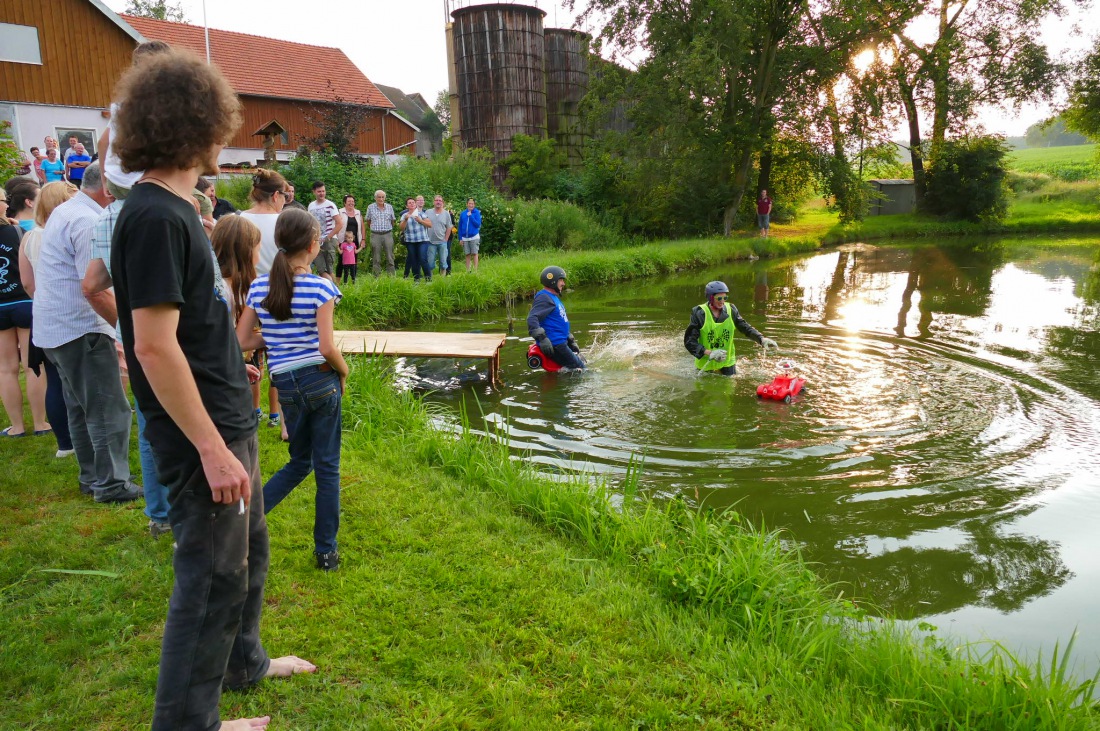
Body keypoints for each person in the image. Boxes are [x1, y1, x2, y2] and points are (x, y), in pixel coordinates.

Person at [109, 47, 316, 731]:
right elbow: (152, 344)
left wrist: (235, 360)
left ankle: (244, 664)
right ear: (197, 120)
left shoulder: (174, 207)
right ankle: (189, 721)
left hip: (228, 413)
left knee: (248, 552)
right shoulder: (155, 217)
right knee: (209, 577)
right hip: (203, 438)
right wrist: (211, 447)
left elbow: (189, 328)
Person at [236, 208, 348, 572]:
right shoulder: (321, 287)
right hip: (320, 379)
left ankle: (240, 529)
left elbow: (241, 340)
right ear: (314, 246)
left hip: (285, 384)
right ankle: (326, 552)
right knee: (327, 467)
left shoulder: (258, 287)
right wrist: (344, 372)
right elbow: (328, 347)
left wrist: (276, 337)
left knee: (300, 462)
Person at [32, 162, 141, 503]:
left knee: (81, 407)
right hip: (79, 329)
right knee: (108, 408)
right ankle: (111, 484)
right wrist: (127, 334)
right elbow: (93, 288)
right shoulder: (87, 220)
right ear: (109, 189)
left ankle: (93, 477)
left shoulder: (66, 210)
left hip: (56, 328)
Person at [81, 179, 173, 537]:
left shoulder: (107, 217)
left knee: (151, 427)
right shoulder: (161, 213)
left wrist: (125, 325)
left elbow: (91, 284)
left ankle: (160, 514)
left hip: (136, 334)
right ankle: (189, 511)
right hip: (170, 334)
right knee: (183, 422)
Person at [16, 181, 77, 457]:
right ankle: (80, 441)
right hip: (70, 314)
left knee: (55, 378)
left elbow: (27, 283)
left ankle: (65, 443)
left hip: (42, 312)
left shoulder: (29, 237)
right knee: (79, 381)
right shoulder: (65, 230)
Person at [238, 168, 289, 436]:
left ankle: (252, 412)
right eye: (285, 195)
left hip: (247, 296)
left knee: (250, 357)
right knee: (280, 357)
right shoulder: (285, 222)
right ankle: (278, 416)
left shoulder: (239, 219)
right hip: (281, 295)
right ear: (276, 195)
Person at [0, 190, 50, 438]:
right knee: (33, 365)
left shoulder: (18, 229)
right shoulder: (20, 232)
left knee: (6, 369)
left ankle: (17, 427)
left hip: (0, 307)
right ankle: (40, 423)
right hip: (23, 301)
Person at [212, 215, 265, 424]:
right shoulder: (222, 292)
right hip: (217, 383)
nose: (260, 255)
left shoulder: (238, 287)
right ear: (246, 250)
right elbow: (217, 342)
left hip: (225, 371)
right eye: (258, 248)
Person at [683, 280, 777, 376]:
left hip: (727, 362)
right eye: (719, 298)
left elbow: (744, 327)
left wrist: (761, 339)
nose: (722, 301)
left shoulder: (731, 309)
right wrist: (710, 353)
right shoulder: (699, 313)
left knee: (728, 390)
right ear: (711, 298)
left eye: (725, 298)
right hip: (706, 364)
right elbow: (690, 342)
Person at [527, 265, 585, 370]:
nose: (563, 283)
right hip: (556, 344)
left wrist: (570, 340)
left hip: (561, 342)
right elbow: (532, 318)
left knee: (580, 365)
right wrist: (542, 339)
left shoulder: (552, 297)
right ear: (552, 281)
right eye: (561, 280)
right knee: (581, 370)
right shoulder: (544, 298)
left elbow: (558, 320)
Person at [307, 180, 343, 284]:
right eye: (319, 191)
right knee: (321, 269)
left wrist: (329, 236)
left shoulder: (330, 205)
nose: (322, 193)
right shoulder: (311, 206)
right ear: (314, 192)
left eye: (323, 191)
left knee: (329, 268)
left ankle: (334, 294)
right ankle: (331, 291)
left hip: (329, 241)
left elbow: (339, 223)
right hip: (316, 241)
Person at [400, 196, 432, 282]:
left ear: (415, 204)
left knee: (423, 259)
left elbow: (430, 225)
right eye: (409, 203)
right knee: (414, 260)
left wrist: (420, 221)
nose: (412, 204)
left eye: (413, 202)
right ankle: (416, 279)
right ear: (407, 206)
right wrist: (406, 220)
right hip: (410, 241)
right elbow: (401, 228)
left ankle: (428, 279)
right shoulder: (404, 215)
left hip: (423, 240)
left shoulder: (421, 213)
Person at [365, 189, 396, 276]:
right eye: (379, 197)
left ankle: (391, 276)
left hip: (387, 234)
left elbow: (392, 221)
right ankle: (376, 277)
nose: (381, 199)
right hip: (375, 234)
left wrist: (388, 228)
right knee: (376, 257)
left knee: (390, 256)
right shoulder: (370, 207)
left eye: (383, 197)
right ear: (375, 198)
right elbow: (368, 220)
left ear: (385, 198)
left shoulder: (389, 207)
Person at [423, 195, 453, 279]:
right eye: (436, 200)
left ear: (442, 203)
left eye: (440, 200)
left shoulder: (446, 214)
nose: (438, 202)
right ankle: (430, 279)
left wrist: (446, 239)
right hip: (430, 242)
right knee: (430, 262)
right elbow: (423, 223)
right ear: (433, 202)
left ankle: (442, 280)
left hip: (442, 242)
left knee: (443, 262)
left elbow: (449, 227)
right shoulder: (428, 212)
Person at [336, 194, 363, 281]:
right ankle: (338, 282)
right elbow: (336, 225)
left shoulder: (358, 213)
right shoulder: (340, 212)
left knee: (354, 261)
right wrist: (336, 238)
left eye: (352, 201)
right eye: (349, 201)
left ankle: (353, 281)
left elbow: (362, 227)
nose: (351, 203)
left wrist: (363, 239)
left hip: (354, 241)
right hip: (342, 240)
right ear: (344, 203)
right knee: (341, 261)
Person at [458, 198, 482, 273]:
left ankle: (475, 271)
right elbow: (460, 226)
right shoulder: (463, 213)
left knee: (474, 253)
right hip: (465, 238)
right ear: (467, 204)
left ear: (474, 205)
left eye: (472, 204)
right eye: (469, 203)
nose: (471, 205)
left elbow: (477, 224)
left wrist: (471, 216)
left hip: (474, 237)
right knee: (467, 254)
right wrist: (460, 238)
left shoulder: (477, 212)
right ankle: (468, 271)